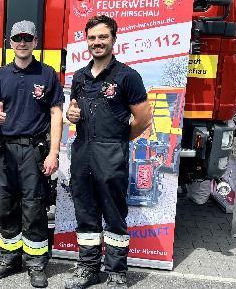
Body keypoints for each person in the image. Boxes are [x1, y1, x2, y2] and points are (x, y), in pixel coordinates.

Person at [64, 15, 152, 289]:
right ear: (86, 41)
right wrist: (71, 114)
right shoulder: (79, 76)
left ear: (113, 39)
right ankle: (88, 269)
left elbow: (143, 117)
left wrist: (119, 141)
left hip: (111, 154)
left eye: (103, 37)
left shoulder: (128, 76)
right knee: (85, 212)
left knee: (114, 213)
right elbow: (73, 111)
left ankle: (116, 273)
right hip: (82, 154)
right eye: (92, 38)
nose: (97, 42)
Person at [0, 20, 63, 287]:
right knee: (5, 204)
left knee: (33, 206)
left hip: (33, 150)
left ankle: (36, 263)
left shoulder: (48, 74)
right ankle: (9, 258)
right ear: (10, 42)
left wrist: (53, 153)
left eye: (27, 38)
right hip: (4, 149)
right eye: (17, 38)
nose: (22, 43)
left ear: (35, 42)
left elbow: (56, 114)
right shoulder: (0, 75)